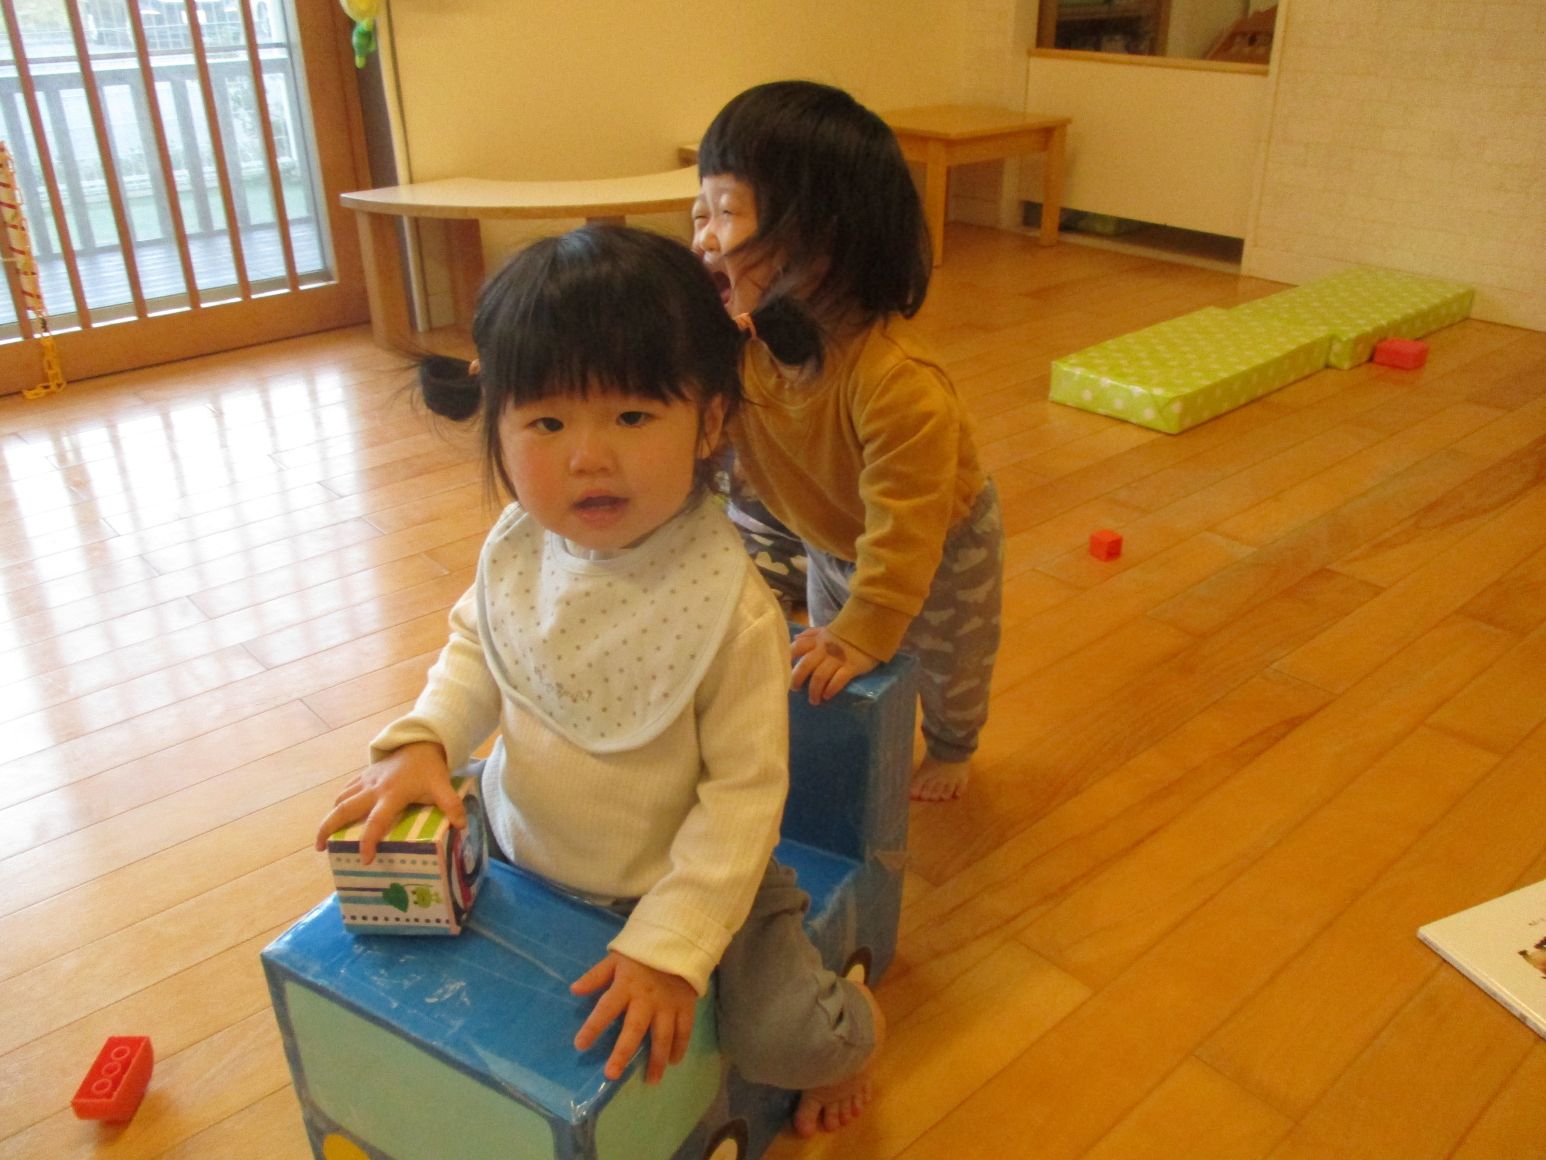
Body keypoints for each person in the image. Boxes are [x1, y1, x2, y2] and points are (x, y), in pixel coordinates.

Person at [313, 225, 880, 1137]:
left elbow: (743, 801)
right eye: (546, 423)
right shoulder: (521, 546)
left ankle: (852, 1032)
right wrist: (425, 740)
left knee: (782, 1038)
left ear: (710, 423)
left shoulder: (728, 611)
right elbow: (479, 648)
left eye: (632, 417)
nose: (588, 456)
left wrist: (674, 942)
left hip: (694, 878)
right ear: (497, 426)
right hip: (521, 839)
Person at [692, 80, 1004, 803]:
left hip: (941, 544)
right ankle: (863, 742)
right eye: (700, 213)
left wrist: (870, 627)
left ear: (820, 240)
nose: (704, 237)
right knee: (830, 657)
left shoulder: (897, 383)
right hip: (829, 537)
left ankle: (953, 745)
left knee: (949, 666)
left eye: (727, 213)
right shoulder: (748, 347)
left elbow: (906, 528)